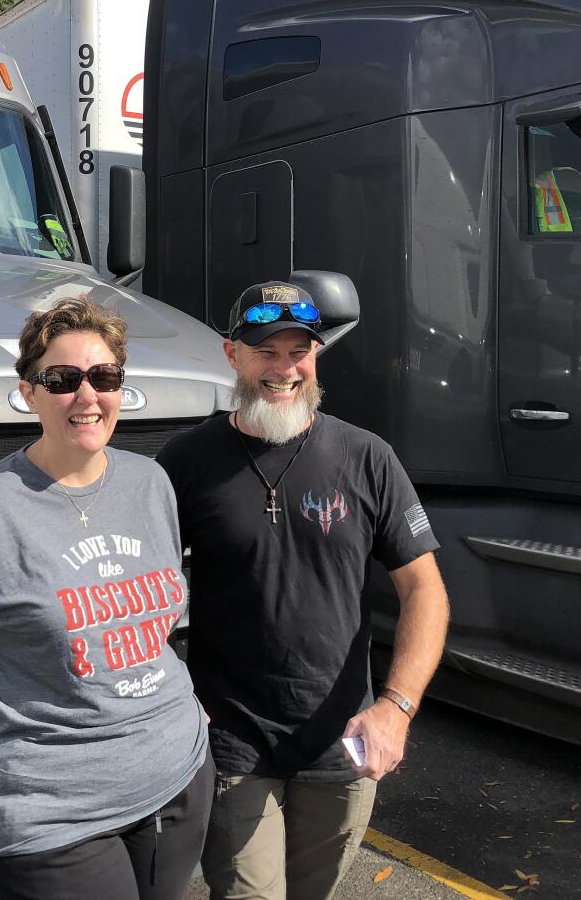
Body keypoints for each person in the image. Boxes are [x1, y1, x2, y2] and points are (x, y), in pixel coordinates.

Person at [0, 295, 213, 900]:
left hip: (175, 777)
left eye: (105, 377)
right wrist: (1, 731)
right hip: (48, 809)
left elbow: (158, 624)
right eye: (63, 379)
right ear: (28, 391)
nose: (88, 396)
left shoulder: (150, 483)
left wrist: (184, 716)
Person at [156, 280, 450, 900]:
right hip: (231, 739)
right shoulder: (186, 462)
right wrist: (171, 697)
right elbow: (141, 589)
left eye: (299, 351)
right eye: (266, 351)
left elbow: (425, 588)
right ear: (233, 355)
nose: (283, 368)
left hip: (342, 736)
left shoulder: (367, 457)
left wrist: (395, 709)